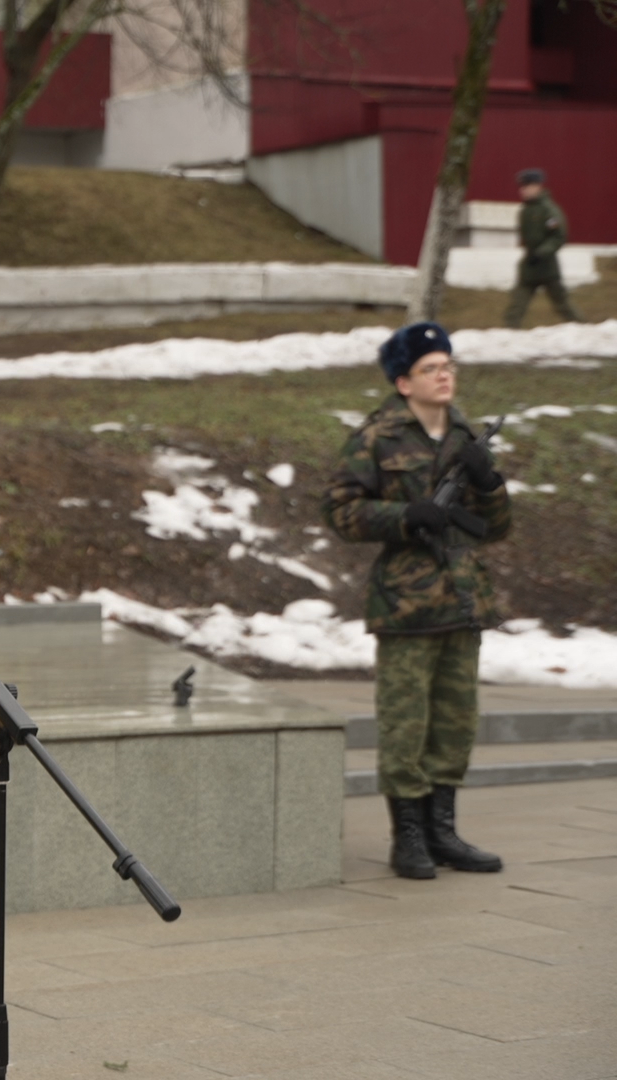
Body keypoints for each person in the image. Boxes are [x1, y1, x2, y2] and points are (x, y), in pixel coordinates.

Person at [324, 322, 511, 881]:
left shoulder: (465, 437)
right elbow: (339, 511)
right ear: (404, 382)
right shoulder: (376, 438)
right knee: (405, 724)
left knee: (455, 722)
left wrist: (489, 482)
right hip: (405, 605)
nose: (444, 375)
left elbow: (495, 529)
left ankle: (442, 832)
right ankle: (407, 836)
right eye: (430, 368)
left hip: (462, 600)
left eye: (448, 365)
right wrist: (405, 515)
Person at [503, 168, 580, 328]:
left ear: (537, 186)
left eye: (527, 186)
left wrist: (541, 253)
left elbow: (558, 237)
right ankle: (508, 334)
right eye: (522, 187)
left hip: (547, 267)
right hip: (529, 267)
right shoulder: (525, 211)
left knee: (563, 305)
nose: (523, 190)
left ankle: (584, 331)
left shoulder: (548, 210)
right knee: (516, 307)